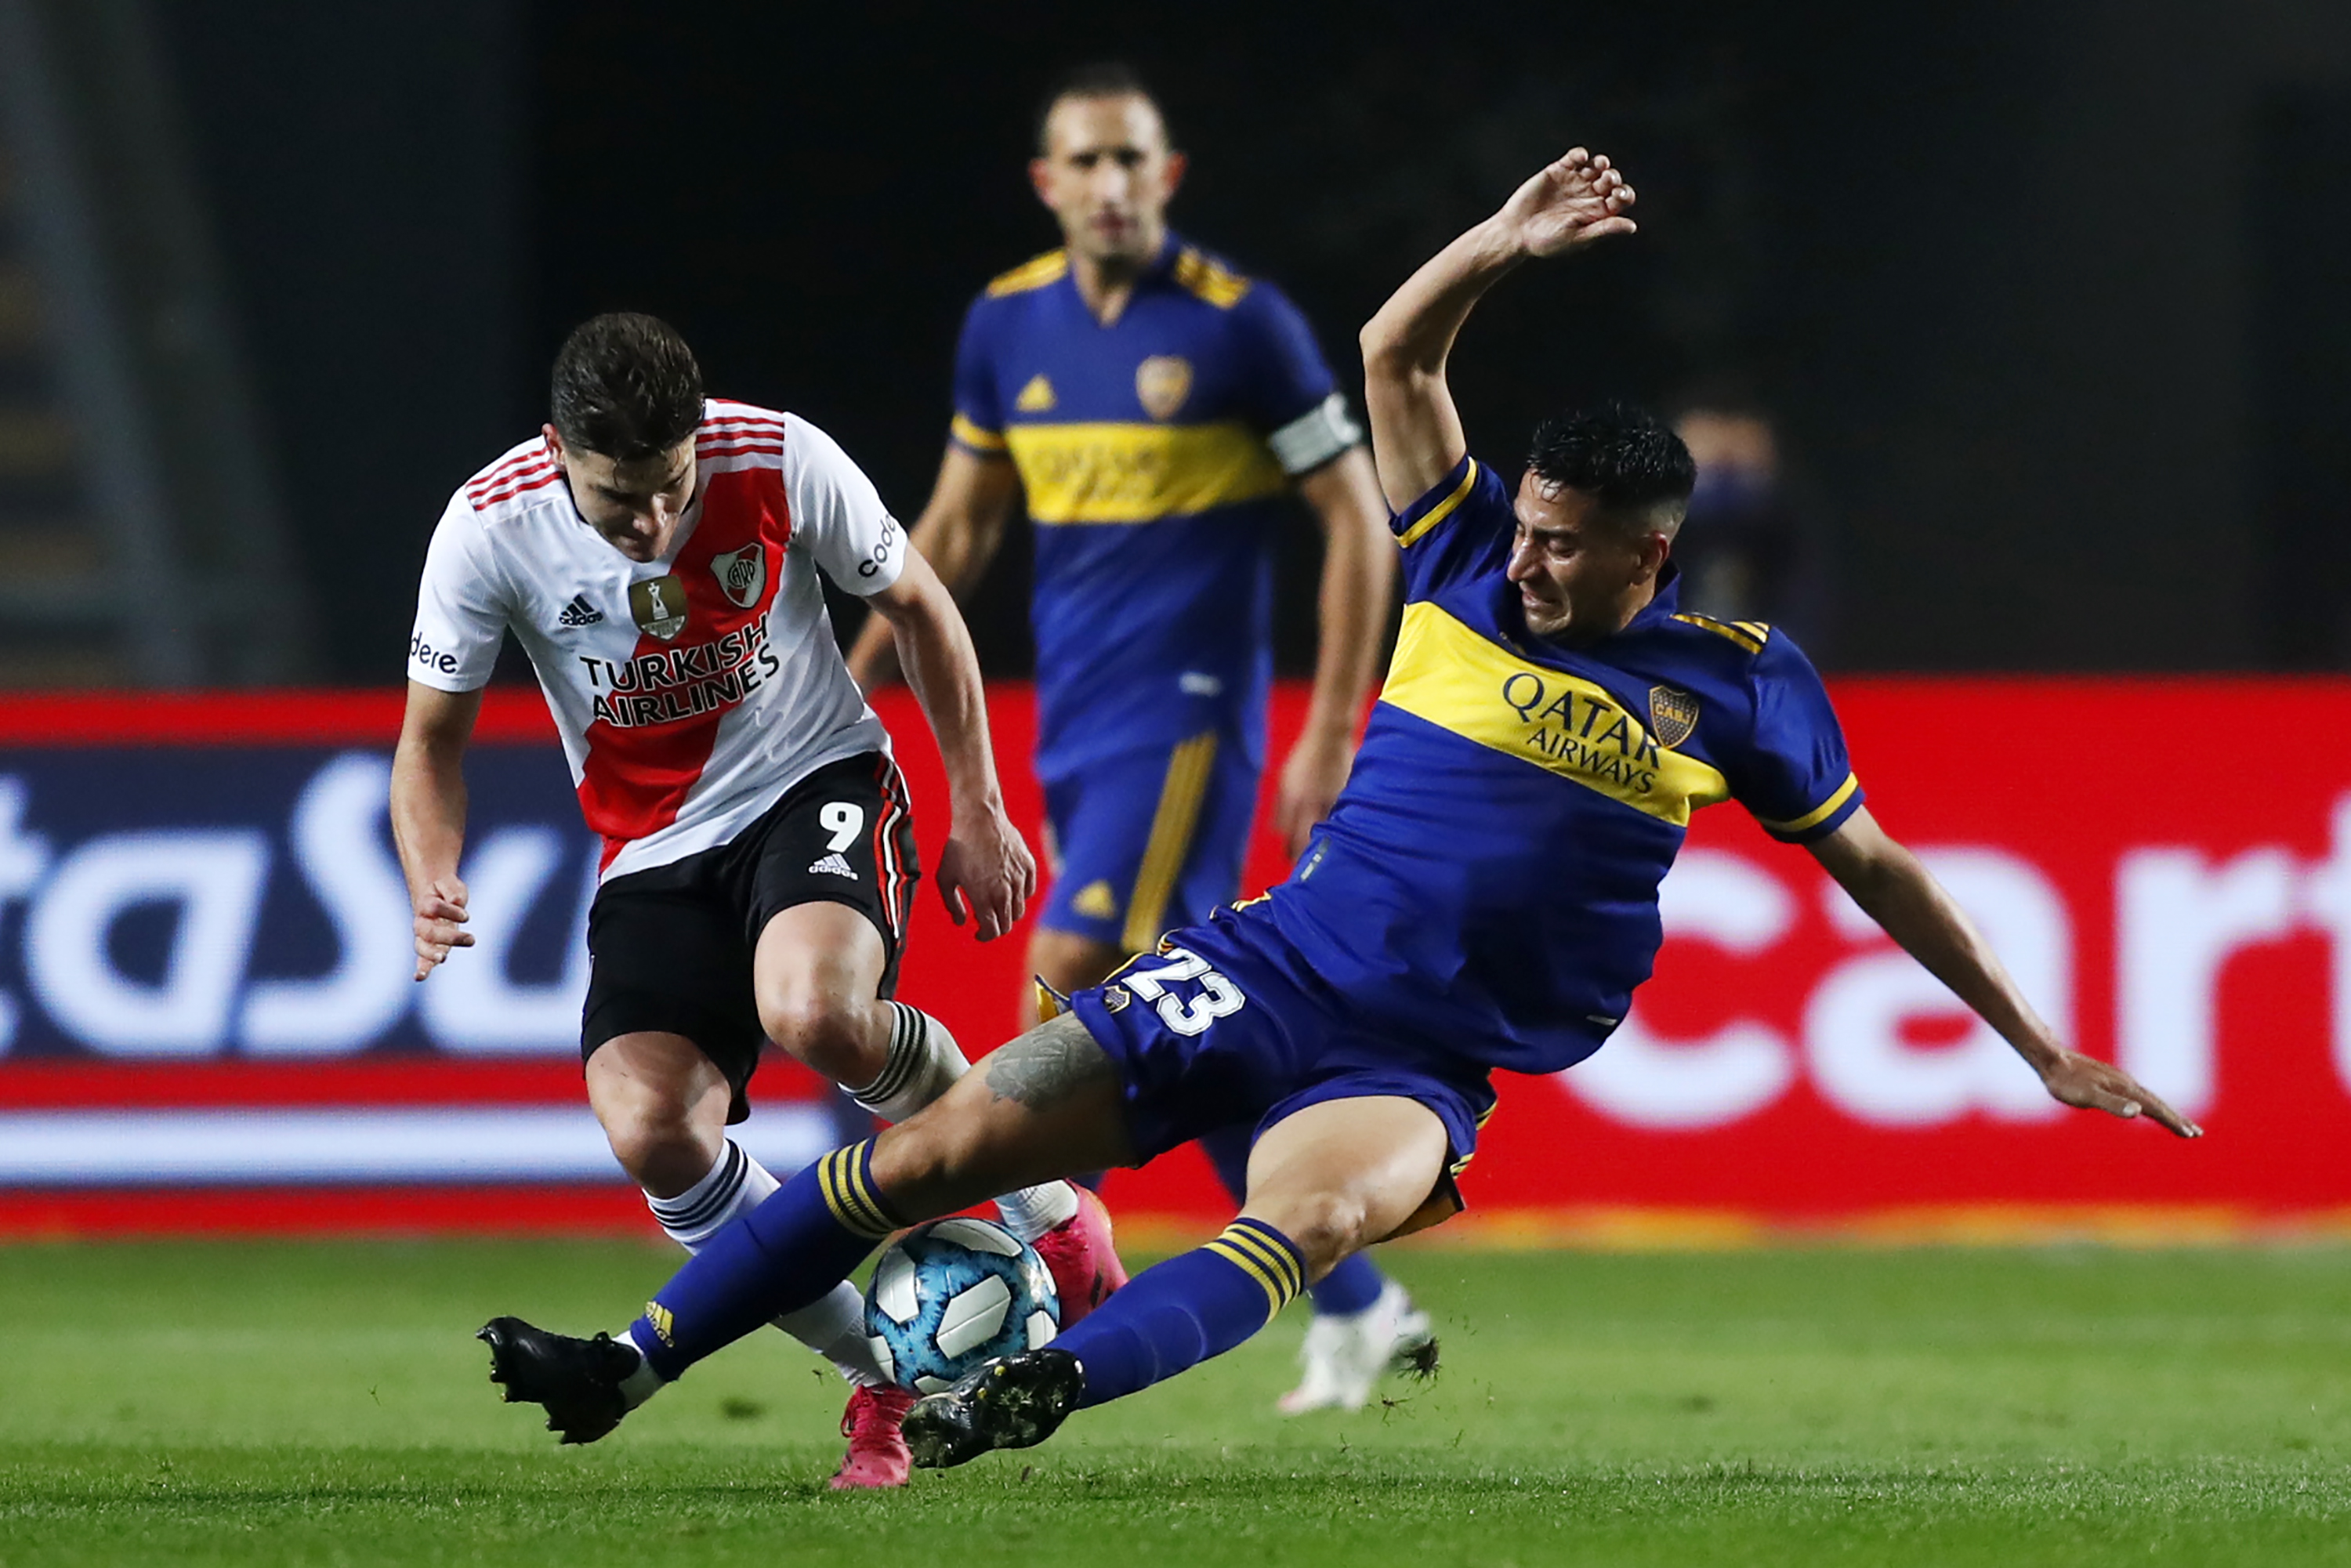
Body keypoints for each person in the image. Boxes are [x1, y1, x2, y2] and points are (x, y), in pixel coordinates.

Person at [476, 150, 2198, 1473]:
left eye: (1566, 540)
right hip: (1265, 969)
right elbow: (1392, 350)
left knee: (1300, 1220)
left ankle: (1031, 1387)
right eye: (1522, 519)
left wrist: (2036, 1040)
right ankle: (622, 1364)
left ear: (1648, 555)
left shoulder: (1738, 684)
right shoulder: (1452, 554)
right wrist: (1500, 247)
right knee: (923, 1152)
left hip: (1424, 1057)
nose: (1524, 553)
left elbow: (1880, 868)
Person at [393, 312, 1124, 1488]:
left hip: (814, 776)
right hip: (652, 849)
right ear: (556, 448)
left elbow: (926, 607)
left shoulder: (778, 456)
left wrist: (976, 806)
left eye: (669, 486)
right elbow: (429, 743)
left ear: (699, 437)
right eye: (618, 498)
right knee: (650, 1127)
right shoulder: (489, 527)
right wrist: (431, 872)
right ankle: (881, 1372)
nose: (651, 523)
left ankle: (1043, 1197)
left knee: (814, 1010)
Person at [842, 61, 1425, 1414]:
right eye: (1085, 163)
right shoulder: (1006, 326)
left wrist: (1331, 721)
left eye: (1134, 161)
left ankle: (1023, 1280)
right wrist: (849, 678)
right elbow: (960, 529)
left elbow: (1353, 515)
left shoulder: (1240, 328)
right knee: (1189, 1022)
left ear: (1168, 176)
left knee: (1067, 969)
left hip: (1189, 724)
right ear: (1048, 184)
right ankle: (1357, 1297)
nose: (1112, 185)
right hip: (1076, 728)